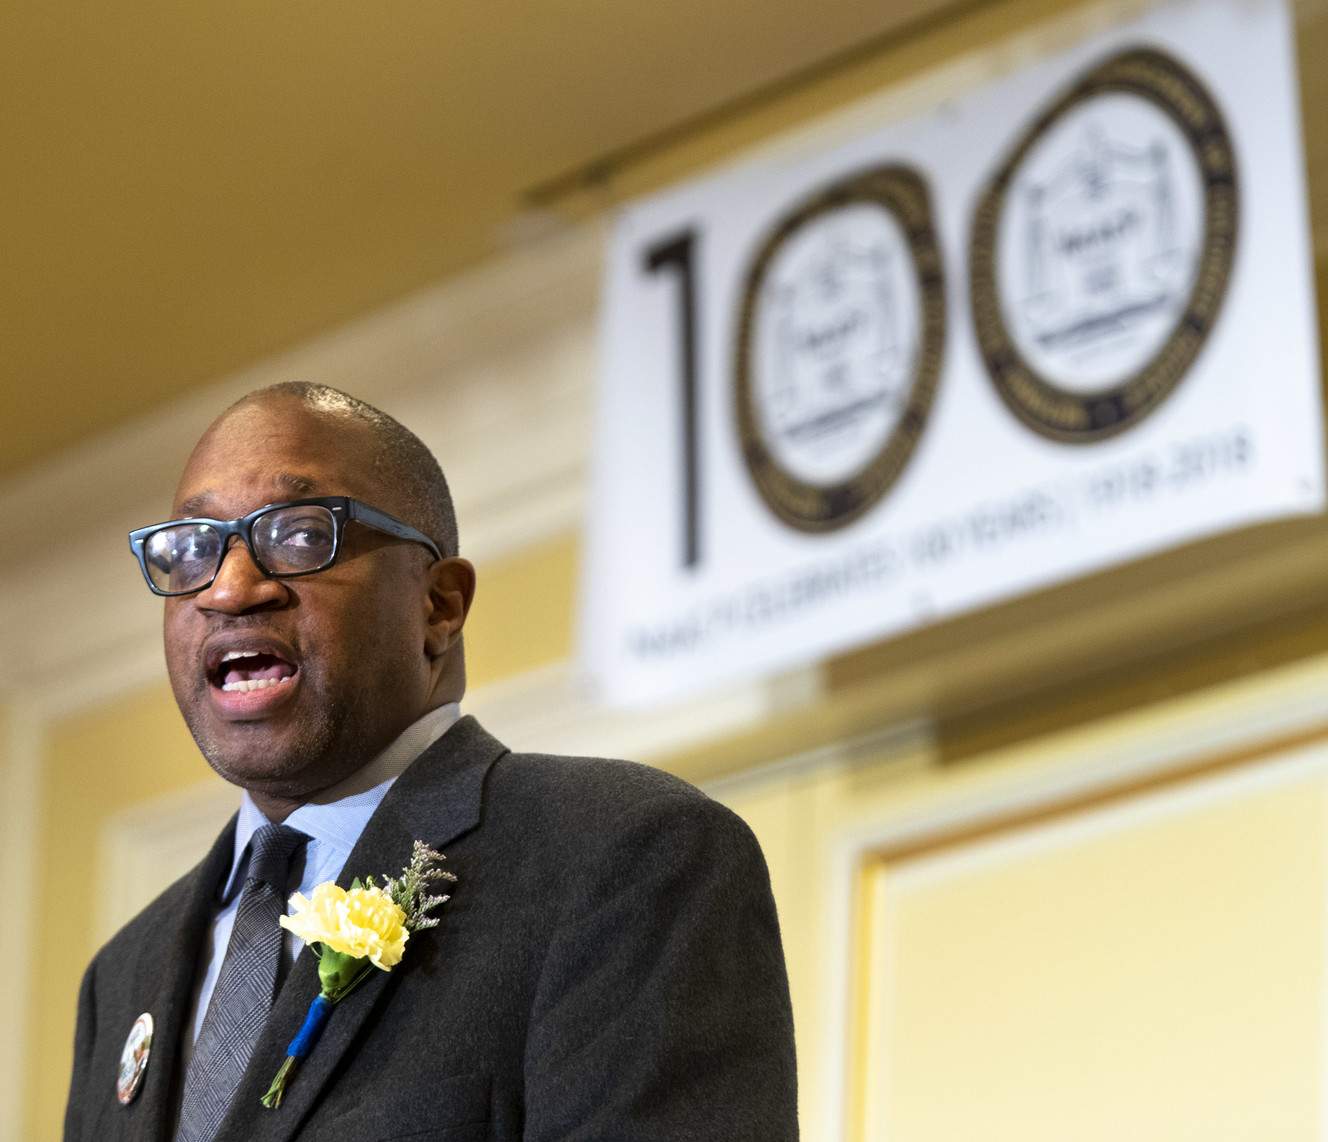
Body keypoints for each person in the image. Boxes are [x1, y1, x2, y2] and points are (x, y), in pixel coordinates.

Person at [63, 383, 798, 1142]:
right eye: (191, 548)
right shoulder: (122, 977)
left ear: (439, 606)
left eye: (301, 534)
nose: (230, 586)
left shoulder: (624, 857)